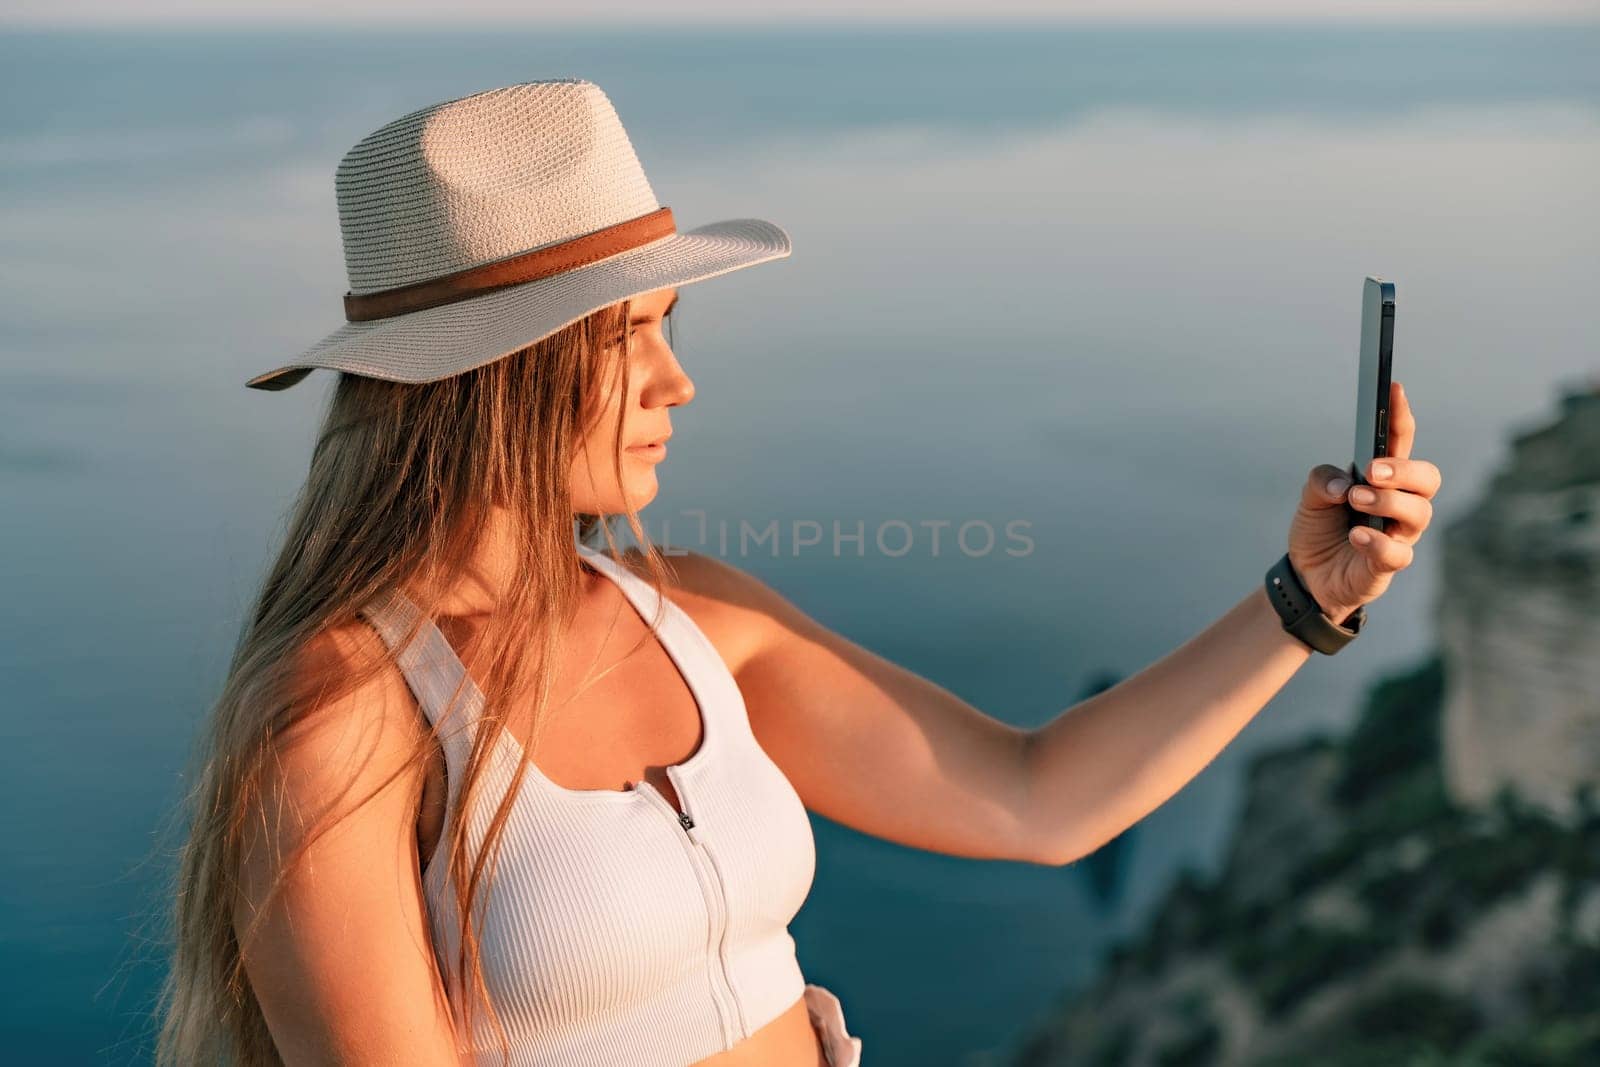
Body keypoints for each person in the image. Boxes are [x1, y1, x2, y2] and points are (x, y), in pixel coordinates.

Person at [154, 81, 1440, 1067]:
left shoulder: (698, 615)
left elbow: (1035, 798)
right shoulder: (342, 711)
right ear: (497, 375)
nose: (677, 382)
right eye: (627, 341)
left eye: (672, 329)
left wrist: (1305, 598)